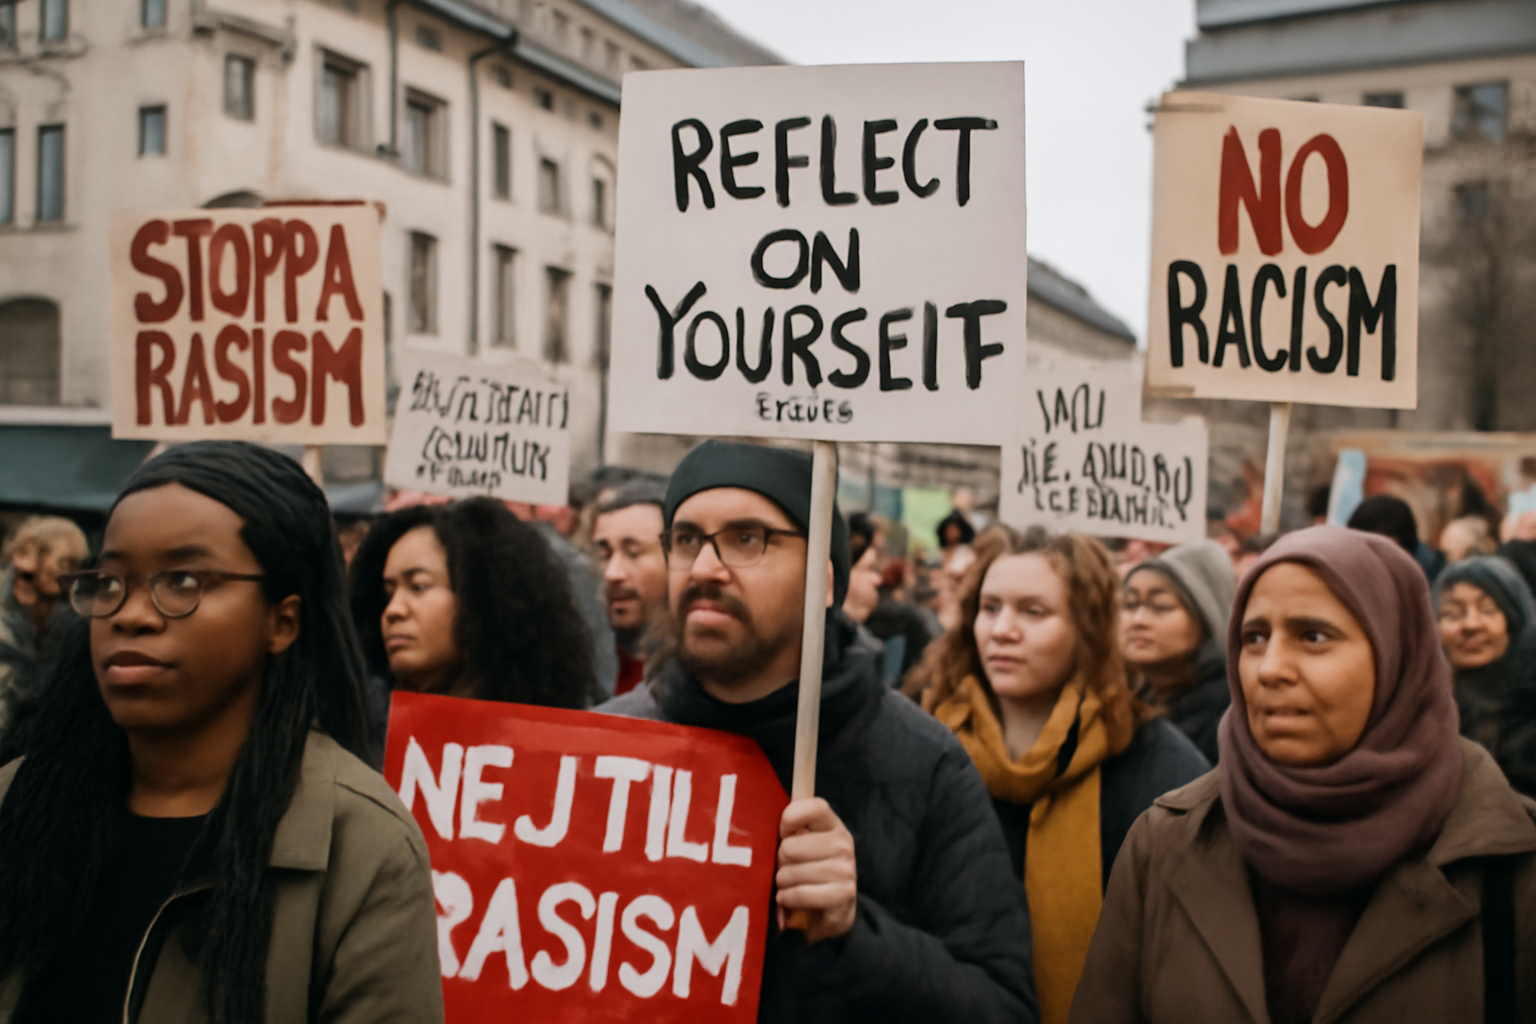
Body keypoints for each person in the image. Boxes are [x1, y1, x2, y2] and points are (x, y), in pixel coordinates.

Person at [0, 441, 442, 1023]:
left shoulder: (360, 849)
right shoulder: (15, 802)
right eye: (109, 581)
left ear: (281, 621)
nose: (130, 614)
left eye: (182, 580)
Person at [600, 440, 1036, 1024]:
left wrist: (855, 931)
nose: (704, 567)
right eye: (685, 539)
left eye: (747, 539)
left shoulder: (924, 764)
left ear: (826, 582)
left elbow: (1003, 1007)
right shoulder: (605, 747)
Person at [1071, 527, 1536, 1024]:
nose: (1270, 669)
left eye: (1313, 636)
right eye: (1254, 638)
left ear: (1397, 655)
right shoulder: (1165, 843)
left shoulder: (1514, 862)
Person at [905, 525, 1207, 1024]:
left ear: (1088, 628)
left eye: (1034, 611)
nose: (1002, 630)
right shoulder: (922, 745)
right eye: (990, 607)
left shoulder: (1156, 765)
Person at [350, 497, 595, 748]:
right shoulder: (356, 739)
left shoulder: (564, 750)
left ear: (481, 597)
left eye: (418, 586)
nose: (393, 610)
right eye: (389, 594)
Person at [1122, 539, 1236, 764]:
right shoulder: (1113, 699)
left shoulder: (1231, 721)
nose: (1138, 620)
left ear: (1206, 618)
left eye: (1160, 606)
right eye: (1130, 604)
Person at [1434, 556, 1536, 797]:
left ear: (1514, 622)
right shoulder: (1423, 707)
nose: (1471, 624)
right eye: (1453, 614)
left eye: (1488, 610)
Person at [0, 516, 88, 748]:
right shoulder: (7, 621)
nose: (25, 564)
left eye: (42, 552)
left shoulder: (75, 626)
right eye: (24, 551)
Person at [591, 480, 669, 696]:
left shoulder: (709, 678)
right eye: (605, 555)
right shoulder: (591, 659)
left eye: (633, 553)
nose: (612, 573)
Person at [1348, 493, 1444, 582]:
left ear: (1407, 555)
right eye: (1367, 551)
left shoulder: (1431, 587)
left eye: (1384, 552)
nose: (1374, 563)